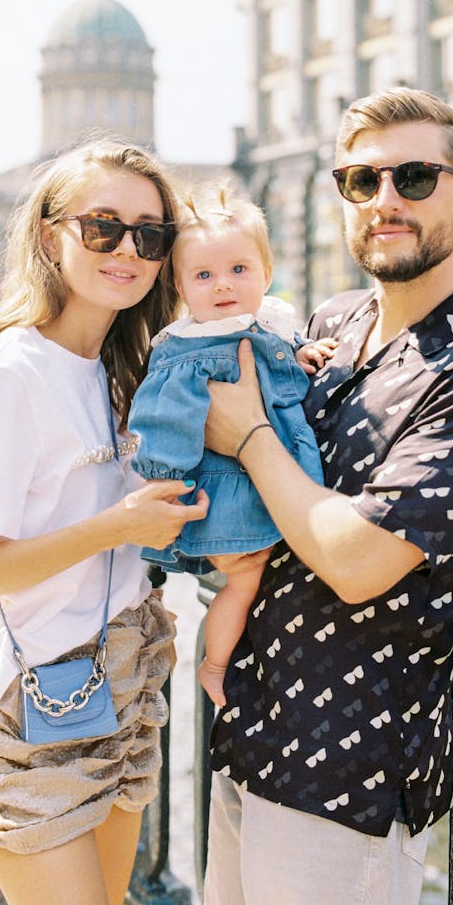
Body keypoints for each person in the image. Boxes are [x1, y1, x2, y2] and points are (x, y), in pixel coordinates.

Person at [200, 87, 453, 905]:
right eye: (360, 180)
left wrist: (247, 431)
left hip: (346, 776)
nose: (384, 200)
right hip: (250, 732)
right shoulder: (336, 320)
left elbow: (358, 560)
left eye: (414, 176)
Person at [0, 138, 209, 905]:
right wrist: (115, 525)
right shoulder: (10, 371)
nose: (128, 249)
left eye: (149, 235)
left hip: (124, 678)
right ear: (51, 235)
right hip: (30, 708)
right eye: (102, 228)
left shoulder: (130, 367)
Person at [127, 182, 336, 708]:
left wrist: (304, 353)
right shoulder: (186, 352)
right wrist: (168, 489)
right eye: (204, 275)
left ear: (266, 274)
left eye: (239, 270)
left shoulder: (263, 325)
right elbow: (160, 422)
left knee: (255, 579)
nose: (223, 285)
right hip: (229, 497)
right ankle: (216, 666)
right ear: (181, 288)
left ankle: (237, 664)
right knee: (244, 579)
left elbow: (276, 360)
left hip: (267, 482)